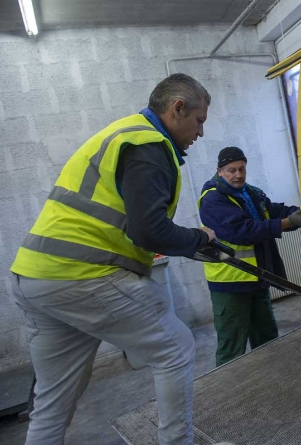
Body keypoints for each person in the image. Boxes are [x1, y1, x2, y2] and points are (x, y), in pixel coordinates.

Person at [10, 73, 216, 445]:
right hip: (80, 276)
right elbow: (149, 231)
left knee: (53, 403)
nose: (200, 133)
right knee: (176, 347)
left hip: (34, 277)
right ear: (178, 108)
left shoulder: (122, 132)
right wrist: (198, 237)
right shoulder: (148, 144)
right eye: (199, 121)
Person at [198, 146, 301, 366]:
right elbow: (242, 231)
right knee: (232, 347)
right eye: (231, 170)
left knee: (267, 337)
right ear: (219, 171)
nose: (238, 174)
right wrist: (288, 223)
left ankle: (269, 381)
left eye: (241, 169)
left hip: (257, 279)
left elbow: (272, 211)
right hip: (230, 283)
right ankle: (227, 396)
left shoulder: (251, 193)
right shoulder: (213, 200)